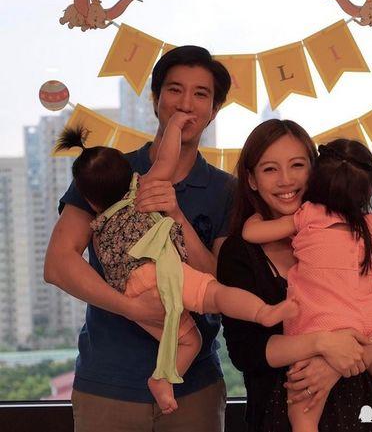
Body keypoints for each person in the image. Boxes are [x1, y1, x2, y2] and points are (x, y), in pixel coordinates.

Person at [45, 45, 237, 432]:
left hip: (194, 388)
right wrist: (131, 307)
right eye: (174, 90)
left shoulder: (226, 190)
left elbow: (222, 283)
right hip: (108, 385)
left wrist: (176, 216)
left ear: (214, 110)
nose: (186, 103)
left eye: (201, 94)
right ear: (155, 99)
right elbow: (58, 265)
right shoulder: (109, 170)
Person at [53, 119, 298, 415]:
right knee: (218, 295)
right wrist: (175, 127)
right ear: (132, 176)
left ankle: (163, 380)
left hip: (135, 289)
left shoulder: (98, 226)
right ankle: (262, 312)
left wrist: (132, 308)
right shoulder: (142, 192)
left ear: (90, 201)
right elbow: (167, 159)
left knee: (189, 341)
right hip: (167, 271)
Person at [218, 119, 372, 432]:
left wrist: (338, 363)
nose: (286, 180)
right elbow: (247, 352)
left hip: (366, 412)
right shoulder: (240, 253)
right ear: (252, 180)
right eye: (270, 169)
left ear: (316, 169)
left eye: (297, 165)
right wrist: (324, 344)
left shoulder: (355, 228)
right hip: (278, 413)